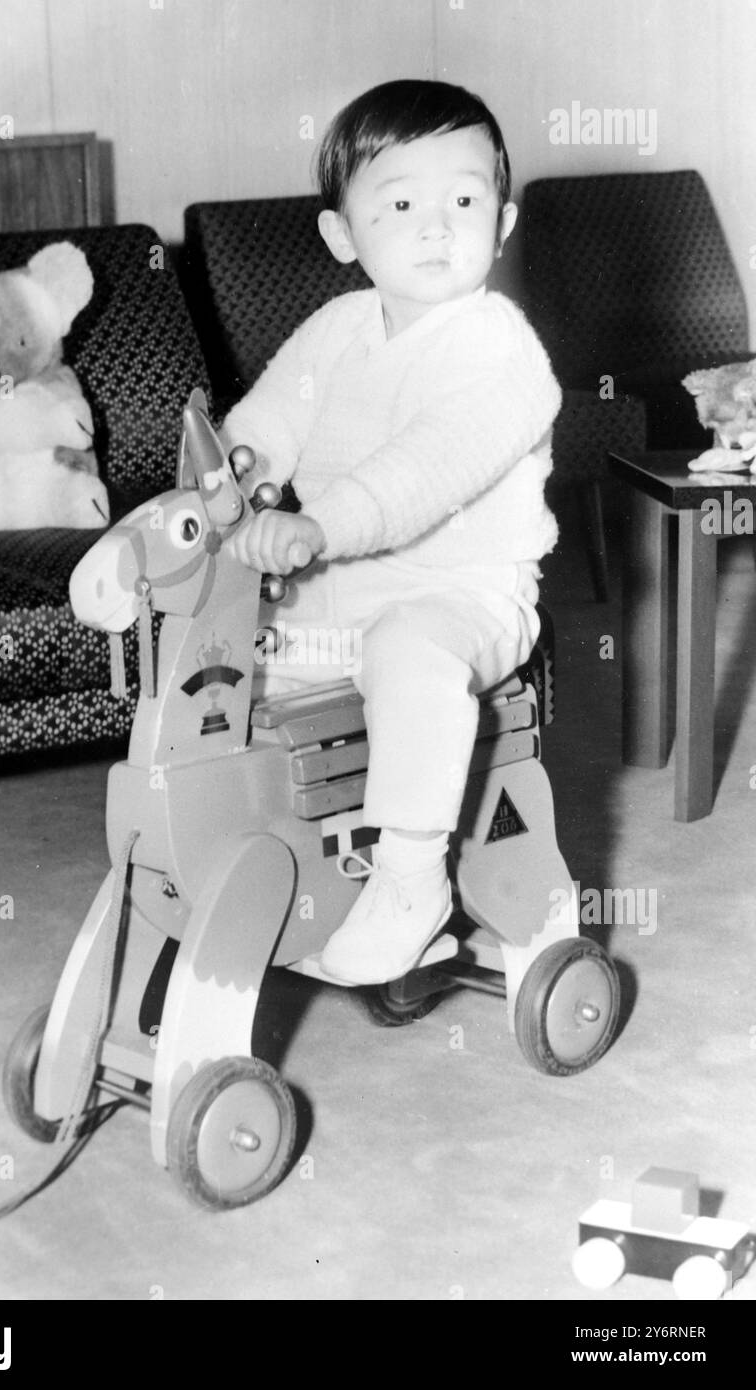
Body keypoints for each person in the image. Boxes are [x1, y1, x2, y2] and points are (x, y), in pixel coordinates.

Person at [222, 79, 561, 985]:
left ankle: (413, 878)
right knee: (226, 675)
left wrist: (316, 526)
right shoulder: (337, 329)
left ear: (505, 219)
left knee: (410, 653)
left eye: (464, 199)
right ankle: (280, 868)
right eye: (401, 202)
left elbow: (423, 471)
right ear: (342, 235)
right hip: (338, 597)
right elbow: (261, 431)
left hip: (465, 598)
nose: (436, 226)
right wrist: (221, 493)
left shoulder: (501, 348)